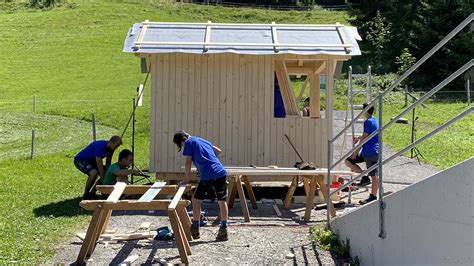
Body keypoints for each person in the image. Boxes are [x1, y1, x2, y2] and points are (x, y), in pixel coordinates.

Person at [173, 130, 229, 241]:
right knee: (222, 201)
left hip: (208, 175)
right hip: (221, 172)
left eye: (181, 145)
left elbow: (188, 162)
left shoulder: (188, 143)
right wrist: (207, 161)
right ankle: (224, 229)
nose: (182, 147)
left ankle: (195, 227)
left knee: (196, 200)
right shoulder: (202, 140)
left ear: (182, 141)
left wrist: (186, 180)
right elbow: (218, 151)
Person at [344, 103, 380, 205]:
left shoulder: (368, 122)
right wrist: (358, 138)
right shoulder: (375, 120)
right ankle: (364, 177)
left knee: (374, 174)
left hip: (370, 151)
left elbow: (365, 138)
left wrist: (356, 151)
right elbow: (367, 135)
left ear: (365, 111)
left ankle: (373, 196)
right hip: (369, 151)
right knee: (348, 161)